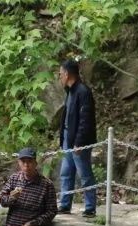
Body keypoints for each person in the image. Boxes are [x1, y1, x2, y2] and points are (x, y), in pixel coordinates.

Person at [58, 58, 97, 217]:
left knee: (84, 173)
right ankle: (65, 204)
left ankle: (90, 207)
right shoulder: (70, 91)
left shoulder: (83, 91)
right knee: (66, 172)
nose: (59, 77)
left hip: (79, 140)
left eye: (60, 74)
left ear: (67, 74)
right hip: (68, 137)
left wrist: (79, 142)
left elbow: (85, 119)